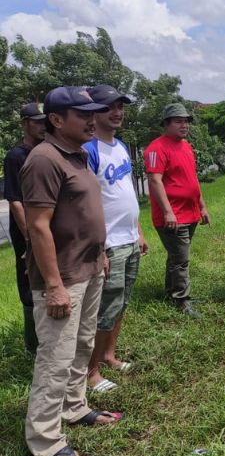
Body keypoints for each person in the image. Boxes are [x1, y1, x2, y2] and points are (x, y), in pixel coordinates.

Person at [22, 86, 123, 456]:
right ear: (57, 120)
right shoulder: (44, 160)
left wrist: (98, 257)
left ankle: (74, 406)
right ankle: (46, 442)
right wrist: (53, 285)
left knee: (81, 346)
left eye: (93, 114)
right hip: (62, 278)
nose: (92, 120)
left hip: (89, 268)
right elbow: (39, 227)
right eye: (83, 115)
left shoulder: (78, 153)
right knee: (56, 359)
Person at [83, 85, 148, 393]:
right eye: (110, 107)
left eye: (121, 106)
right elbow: (88, 204)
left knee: (121, 302)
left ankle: (109, 355)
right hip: (109, 243)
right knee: (105, 308)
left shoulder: (120, 145)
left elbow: (125, 193)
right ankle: (90, 372)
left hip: (130, 237)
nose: (118, 112)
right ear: (93, 112)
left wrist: (139, 232)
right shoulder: (89, 150)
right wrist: (101, 248)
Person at [144, 103, 210, 317]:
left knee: (175, 256)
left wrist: (202, 207)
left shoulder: (186, 146)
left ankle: (171, 291)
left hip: (189, 213)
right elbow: (154, 181)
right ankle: (182, 300)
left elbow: (192, 180)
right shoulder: (157, 148)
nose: (184, 125)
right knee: (181, 259)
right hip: (173, 216)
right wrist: (167, 212)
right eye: (178, 121)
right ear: (166, 124)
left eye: (186, 121)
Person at [3, 103, 46, 354]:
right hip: (28, 232)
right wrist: (30, 238)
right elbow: (15, 201)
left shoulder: (47, 150)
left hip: (48, 228)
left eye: (44, 122)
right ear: (24, 123)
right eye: (36, 122)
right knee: (30, 285)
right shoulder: (16, 156)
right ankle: (33, 346)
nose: (42, 126)